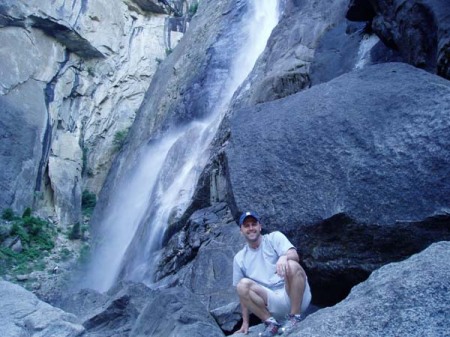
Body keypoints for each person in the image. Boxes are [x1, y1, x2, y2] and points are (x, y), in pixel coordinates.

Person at [233, 211, 311, 336]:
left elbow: (294, 255)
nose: (251, 228)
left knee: (292, 264)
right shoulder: (239, 258)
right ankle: (271, 323)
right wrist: (245, 322)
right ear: (241, 230)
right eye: (246, 226)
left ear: (260, 226)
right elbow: (242, 295)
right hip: (272, 302)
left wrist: (284, 257)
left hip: (294, 295)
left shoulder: (274, 237)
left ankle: (295, 317)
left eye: (254, 224)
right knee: (241, 285)